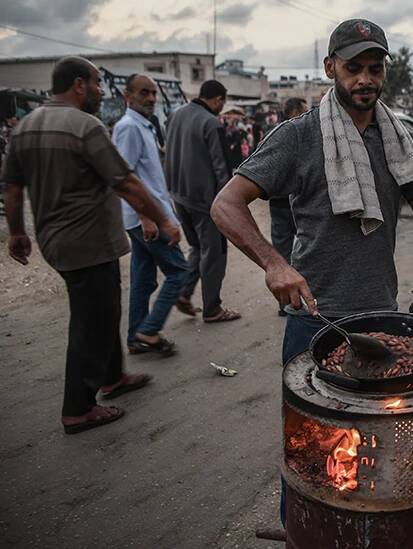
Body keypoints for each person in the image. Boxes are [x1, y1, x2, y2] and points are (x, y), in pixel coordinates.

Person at [209, 18, 413, 525]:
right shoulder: (298, 137)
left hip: (383, 321)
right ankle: (305, 533)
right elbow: (226, 205)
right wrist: (274, 264)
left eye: (374, 68)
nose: (365, 79)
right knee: (310, 458)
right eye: (353, 68)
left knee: (376, 455)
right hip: (314, 322)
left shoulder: (398, 136)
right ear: (330, 68)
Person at [2, 57, 181, 434]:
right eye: (97, 83)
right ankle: (78, 407)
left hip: (55, 238)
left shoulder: (26, 127)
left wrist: (18, 232)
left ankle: (113, 375)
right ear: (78, 84)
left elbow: (13, 188)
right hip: (87, 241)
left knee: (102, 309)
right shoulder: (85, 126)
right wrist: (163, 219)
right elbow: (126, 183)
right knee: (90, 320)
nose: (102, 91)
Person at [113, 74, 189, 355]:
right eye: (144, 93)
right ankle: (149, 331)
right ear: (128, 96)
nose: (151, 99)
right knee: (179, 272)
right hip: (148, 219)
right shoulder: (129, 128)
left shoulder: (144, 126)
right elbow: (125, 176)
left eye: (153, 93)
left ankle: (135, 338)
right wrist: (147, 218)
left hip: (146, 217)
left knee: (143, 280)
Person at [165, 80, 241, 323]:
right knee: (214, 252)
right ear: (218, 99)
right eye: (222, 102)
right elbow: (221, 167)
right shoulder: (211, 123)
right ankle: (212, 308)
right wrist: (226, 205)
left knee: (197, 248)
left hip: (180, 197)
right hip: (205, 201)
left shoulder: (176, 116)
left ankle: (184, 294)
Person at [269, 96, 309, 316]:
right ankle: (299, 300)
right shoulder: (297, 135)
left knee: (282, 253)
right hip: (293, 204)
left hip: (276, 204)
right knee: (306, 250)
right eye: (304, 111)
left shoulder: (270, 133)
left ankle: (285, 304)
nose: (307, 115)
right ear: (294, 112)